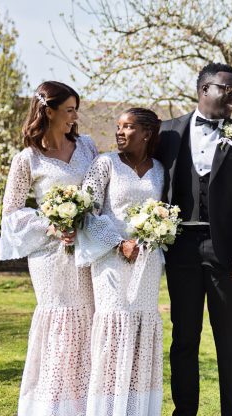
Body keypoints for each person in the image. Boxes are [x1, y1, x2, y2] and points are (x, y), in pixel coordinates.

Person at [155, 63, 232, 416]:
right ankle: (183, 411)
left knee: (229, 335)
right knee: (184, 335)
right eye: (227, 89)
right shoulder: (167, 133)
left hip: (227, 251)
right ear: (204, 90)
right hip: (180, 246)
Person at [0, 81, 98, 415]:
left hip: (87, 250)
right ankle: (52, 406)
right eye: (69, 110)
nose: (75, 116)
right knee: (60, 326)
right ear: (49, 111)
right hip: (50, 257)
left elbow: (101, 194)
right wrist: (51, 225)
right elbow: (11, 213)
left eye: (75, 109)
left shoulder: (87, 147)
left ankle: (87, 406)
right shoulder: (27, 159)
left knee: (89, 322)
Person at [76, 108, 165, 415]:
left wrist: (152, 238)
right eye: (118, 126)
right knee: (114, 328)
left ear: (146, 133)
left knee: (141, 330)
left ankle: (137, 408)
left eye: (128, 127)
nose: (120, 132)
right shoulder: (104, 164)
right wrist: (118, 243)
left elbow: (163, 212)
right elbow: (86, 211)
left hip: (149, 262)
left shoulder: (160, 169)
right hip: (111, 261)